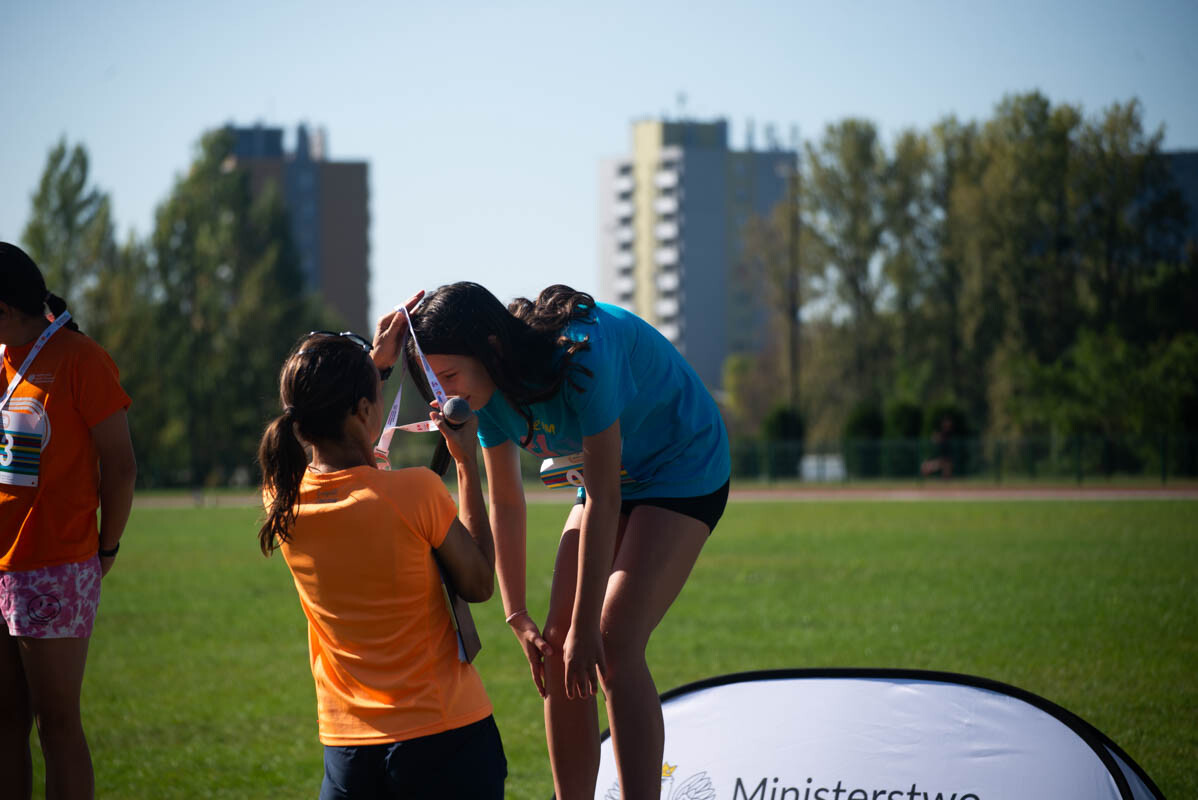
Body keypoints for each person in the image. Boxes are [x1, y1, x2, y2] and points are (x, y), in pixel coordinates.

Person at [406, 282, 731, 800]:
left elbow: (603, 497)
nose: (447, 397)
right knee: (557, 646)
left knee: (613, 639)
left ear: (492, 349)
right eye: (434, 382)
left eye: (449, 377)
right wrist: (517, 614)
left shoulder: (583, 356)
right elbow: (506, 500)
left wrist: (586, 626)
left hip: (681, 463)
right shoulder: (483, 394)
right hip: (612, 477)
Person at [256, 301, 506, 800]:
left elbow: (339, 428)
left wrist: (375, 366)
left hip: (347, 751)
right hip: (445, 737)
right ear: (363, 411)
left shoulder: (281, 499)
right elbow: (479, 582)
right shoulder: (415, 493)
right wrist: (465, 463)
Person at [0, 242, 137, 800]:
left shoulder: (81, 359)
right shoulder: (2, 358)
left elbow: (121, 467)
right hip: (1, 568)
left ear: (5, 309)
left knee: (56, 724)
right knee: (4, 720)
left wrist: (107, 548)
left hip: (55, 565)